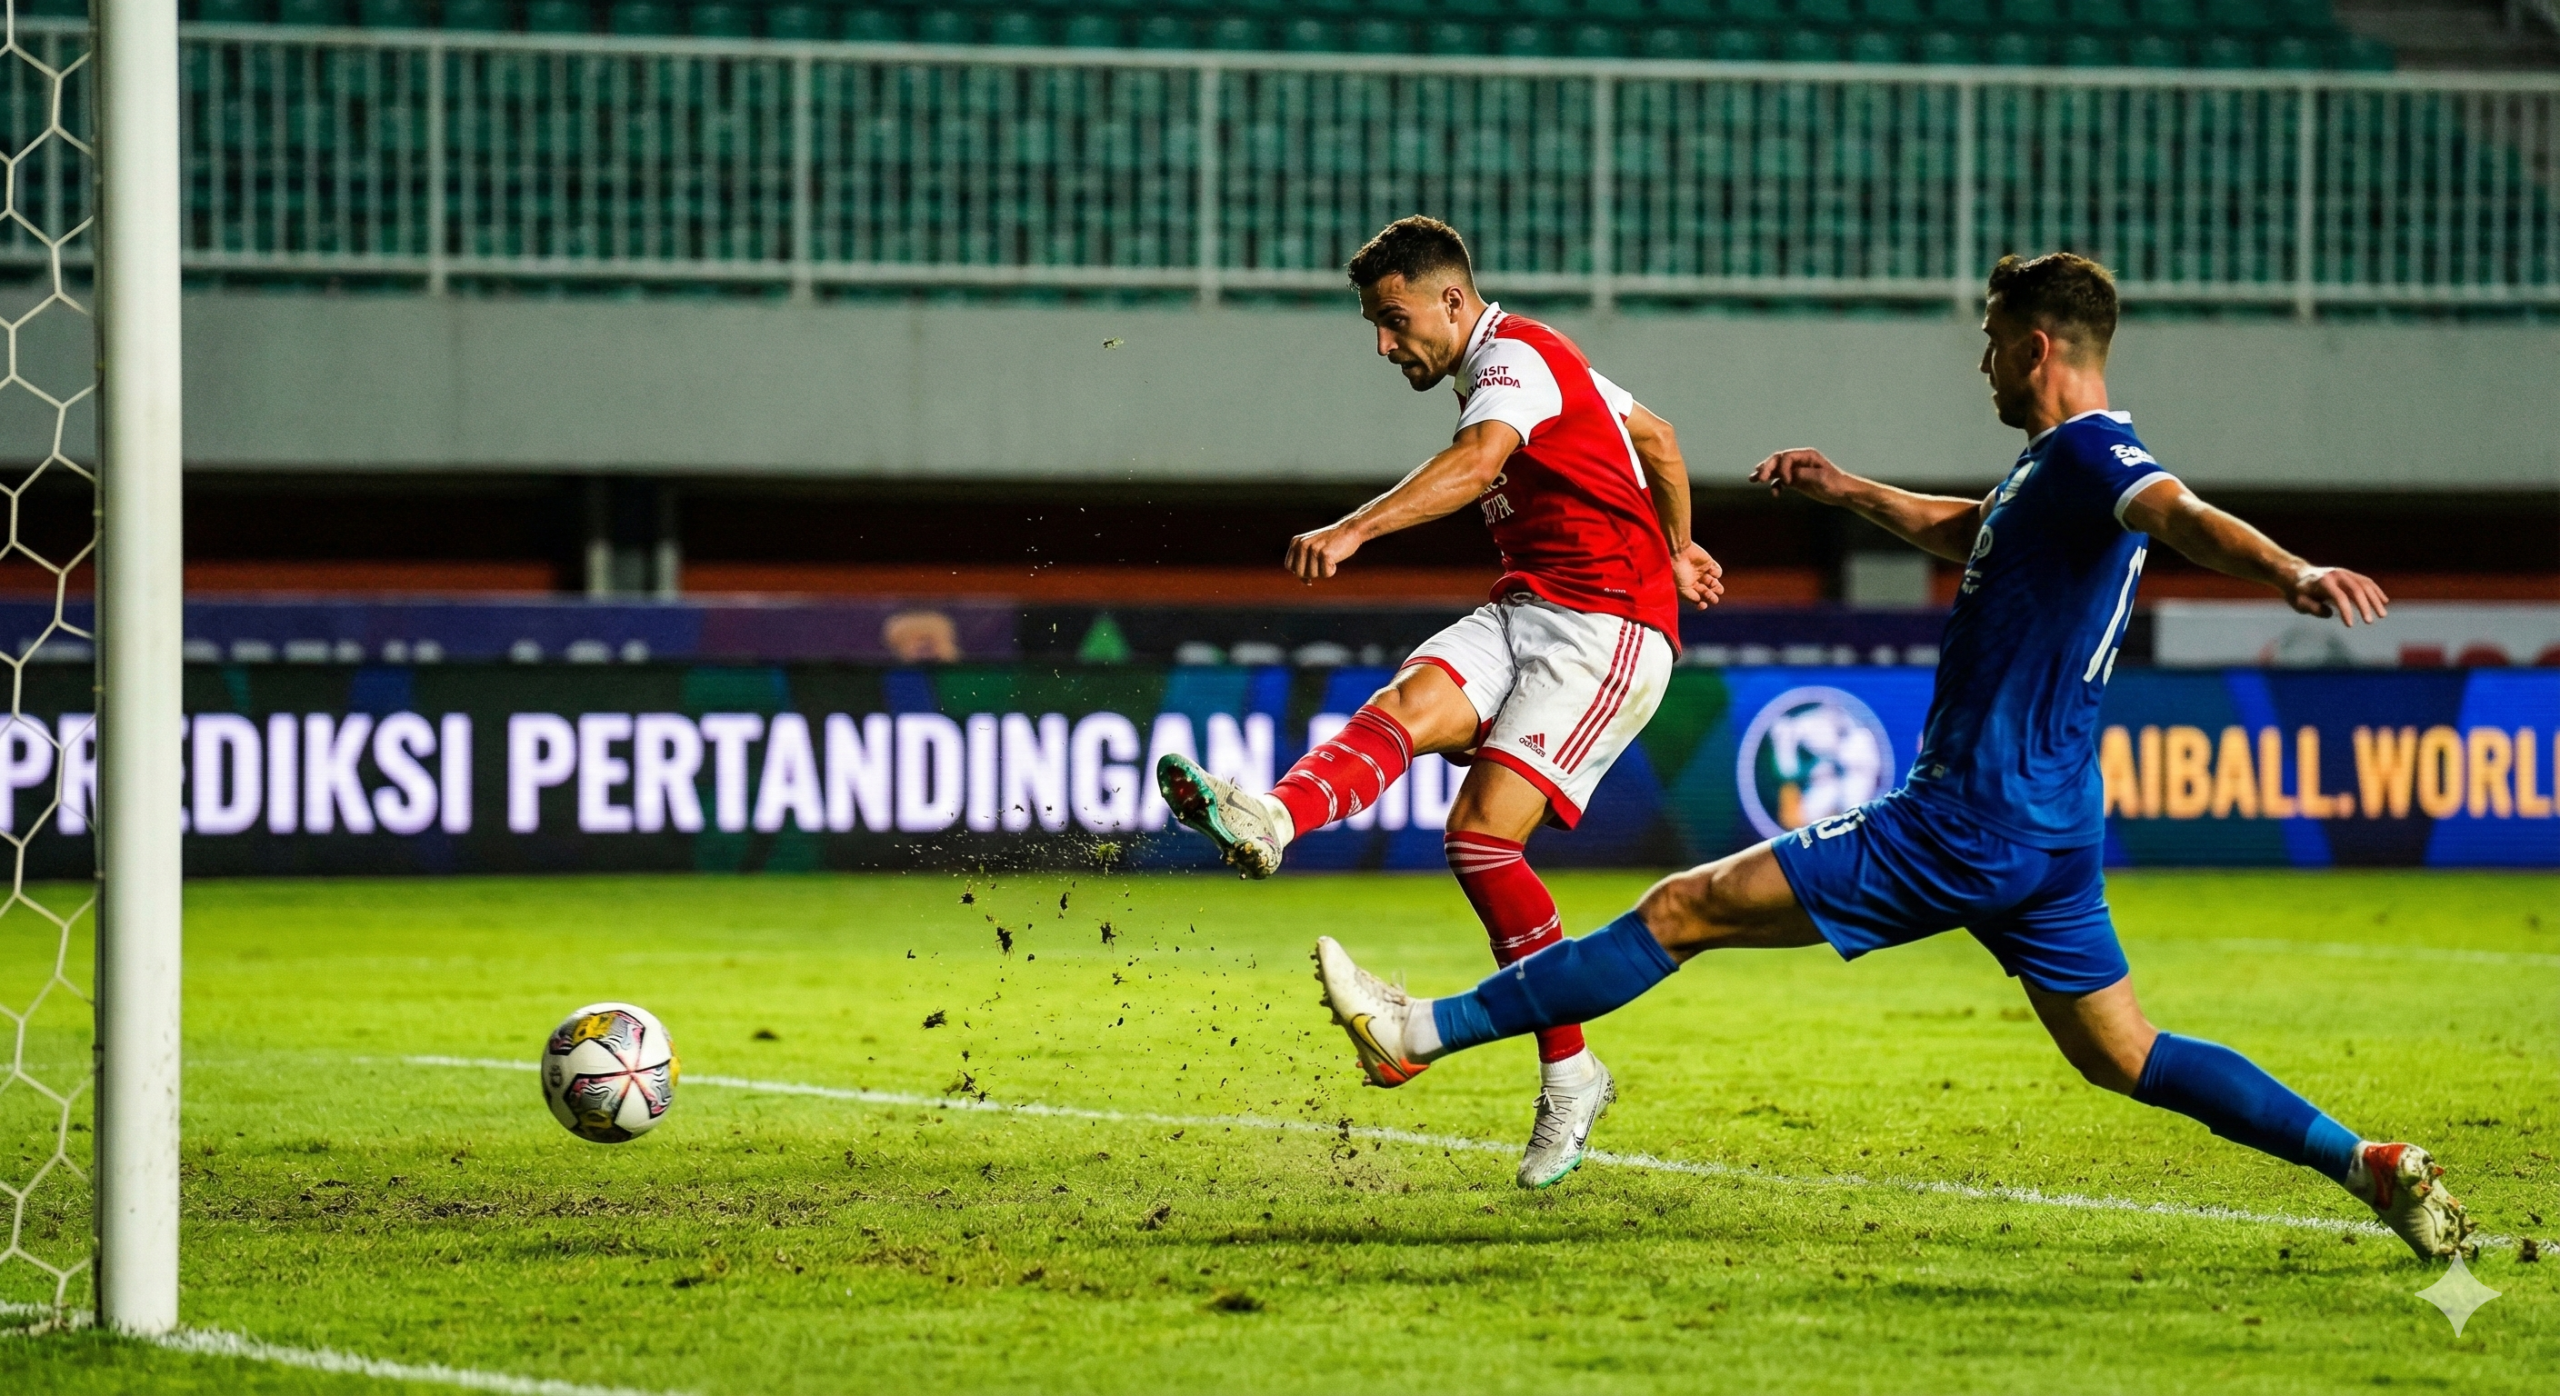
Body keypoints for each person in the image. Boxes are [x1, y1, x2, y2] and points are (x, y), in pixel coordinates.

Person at [1309, 251, 2477, 1261]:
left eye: (1986, 347)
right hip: (2055, 832)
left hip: (1963, 820)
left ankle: (1416, 1034)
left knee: (1680, 910)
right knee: (2125, 1052)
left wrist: (2291, 572)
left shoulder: (2095, 463)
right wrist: (1844, 488)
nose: (1978, 368)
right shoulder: (2050, 474)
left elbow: (2176, 512)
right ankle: (2362, 1162)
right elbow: (1970, 527)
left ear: (2035, 347)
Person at [1155, 215, 1725, 1188]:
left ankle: (1570, 1074)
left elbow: (1476, 465)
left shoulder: (1513, 361)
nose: (1384, 344)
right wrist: (1680, 537)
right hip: (1531, 602)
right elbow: (1657, 437)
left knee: (1480, 838)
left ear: (1453, 301)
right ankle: (1273, 815)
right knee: (1410, 699)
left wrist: (1353, 528)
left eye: (1393, 319)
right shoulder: (1540, 360)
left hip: (1608, 626)